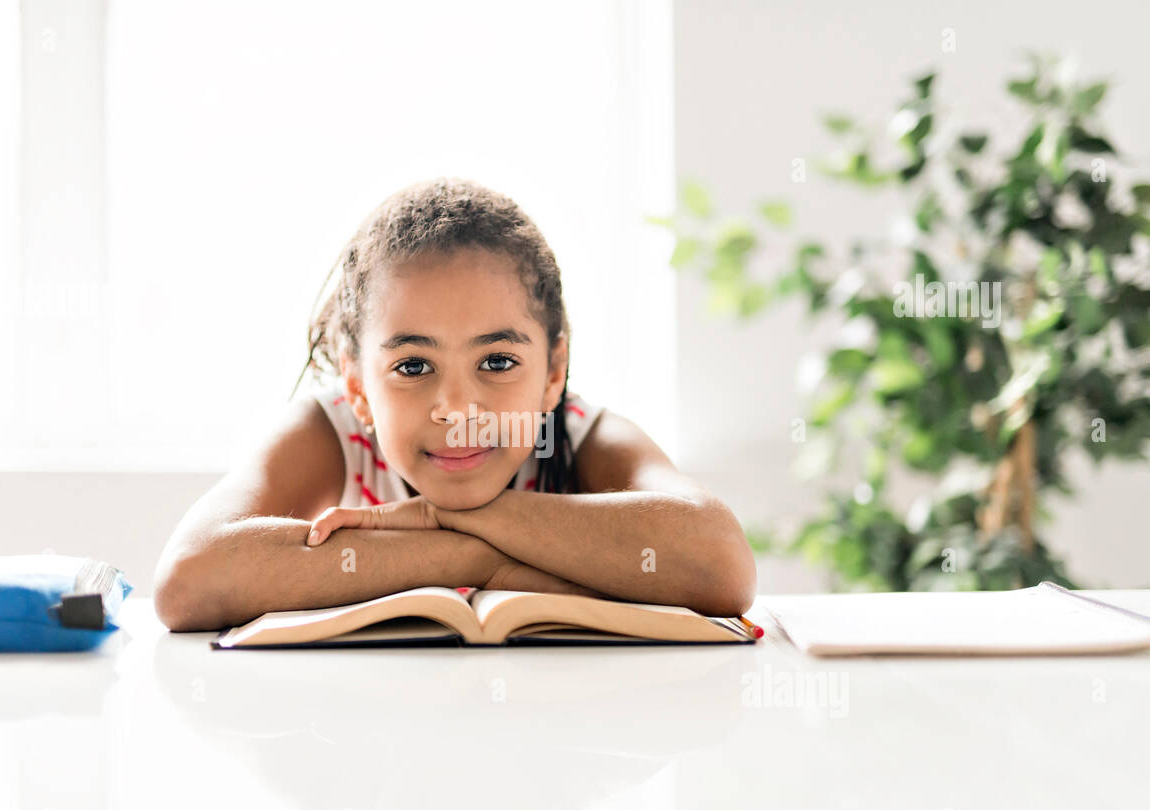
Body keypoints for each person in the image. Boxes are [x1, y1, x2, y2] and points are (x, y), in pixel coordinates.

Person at [154, 177, 755, 631]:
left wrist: (438, 517)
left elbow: (722, 566)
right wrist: (486, 561)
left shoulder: (577, 435)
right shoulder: (328, 432)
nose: (457, 410)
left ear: (553, 372)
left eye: (496, 363)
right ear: (359, 389)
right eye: (413, 366)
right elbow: (190, 580)